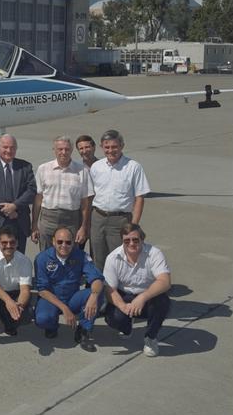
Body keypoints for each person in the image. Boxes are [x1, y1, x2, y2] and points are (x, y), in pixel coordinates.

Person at [101, 223, 171, 357]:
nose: (131, 244)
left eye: (135, 240)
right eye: (127, 241)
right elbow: (109, 289)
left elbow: (165, 282)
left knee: (162, 302)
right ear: (122, 241)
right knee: (113, 318)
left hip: (148, 296)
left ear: (142, 239)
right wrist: (122, 306)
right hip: (125, 295)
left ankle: (151, 338)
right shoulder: (113, 258)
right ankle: (126, 327)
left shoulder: (154, 253)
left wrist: (142, 297)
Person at [31, 227, 104, 350]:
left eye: (68, 242)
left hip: (72, 298)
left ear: (73, 243)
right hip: (51, 299)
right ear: (53, 241)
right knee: (43, 319)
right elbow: (42, 290)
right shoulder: (42, 258)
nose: (64, 245)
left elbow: (97, 279)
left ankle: (84, 330)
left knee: (98, 293)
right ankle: (52, 327)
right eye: (60, 242)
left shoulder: (81, 256)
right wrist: (64, 308)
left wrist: (94, 296)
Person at [88, 129, 151, 270]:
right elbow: (91, 195)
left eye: (114, 147)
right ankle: (99, 287)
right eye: (107, 147)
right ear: (102, 147)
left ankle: (117, 289)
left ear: (122, 146)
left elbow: (139, 198)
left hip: (120, 220)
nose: (111, 150)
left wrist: (133, 226)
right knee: (97, 255)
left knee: (119, 257)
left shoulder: (134, 167)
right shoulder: (96, 167)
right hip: (97, 217)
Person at [30, 136, 93, 253]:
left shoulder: (82, 171)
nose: (63, 152)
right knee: (47, 255)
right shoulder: (43, 169)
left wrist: (83, 227)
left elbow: (85, 203)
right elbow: (38, 199)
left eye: (67, 149)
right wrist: (34, 225)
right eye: (60, 149)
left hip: (71, 219)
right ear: (54, 150)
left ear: (72, 150)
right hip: (48, 218)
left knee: (70, 255)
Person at [0, 133, 38, 253]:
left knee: (18, 258)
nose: (9, 150)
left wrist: (14, 206)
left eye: (12, 147)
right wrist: (5, 208)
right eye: (5, 147)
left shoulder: (25, 166)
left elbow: (31, 190)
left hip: (19, 219)